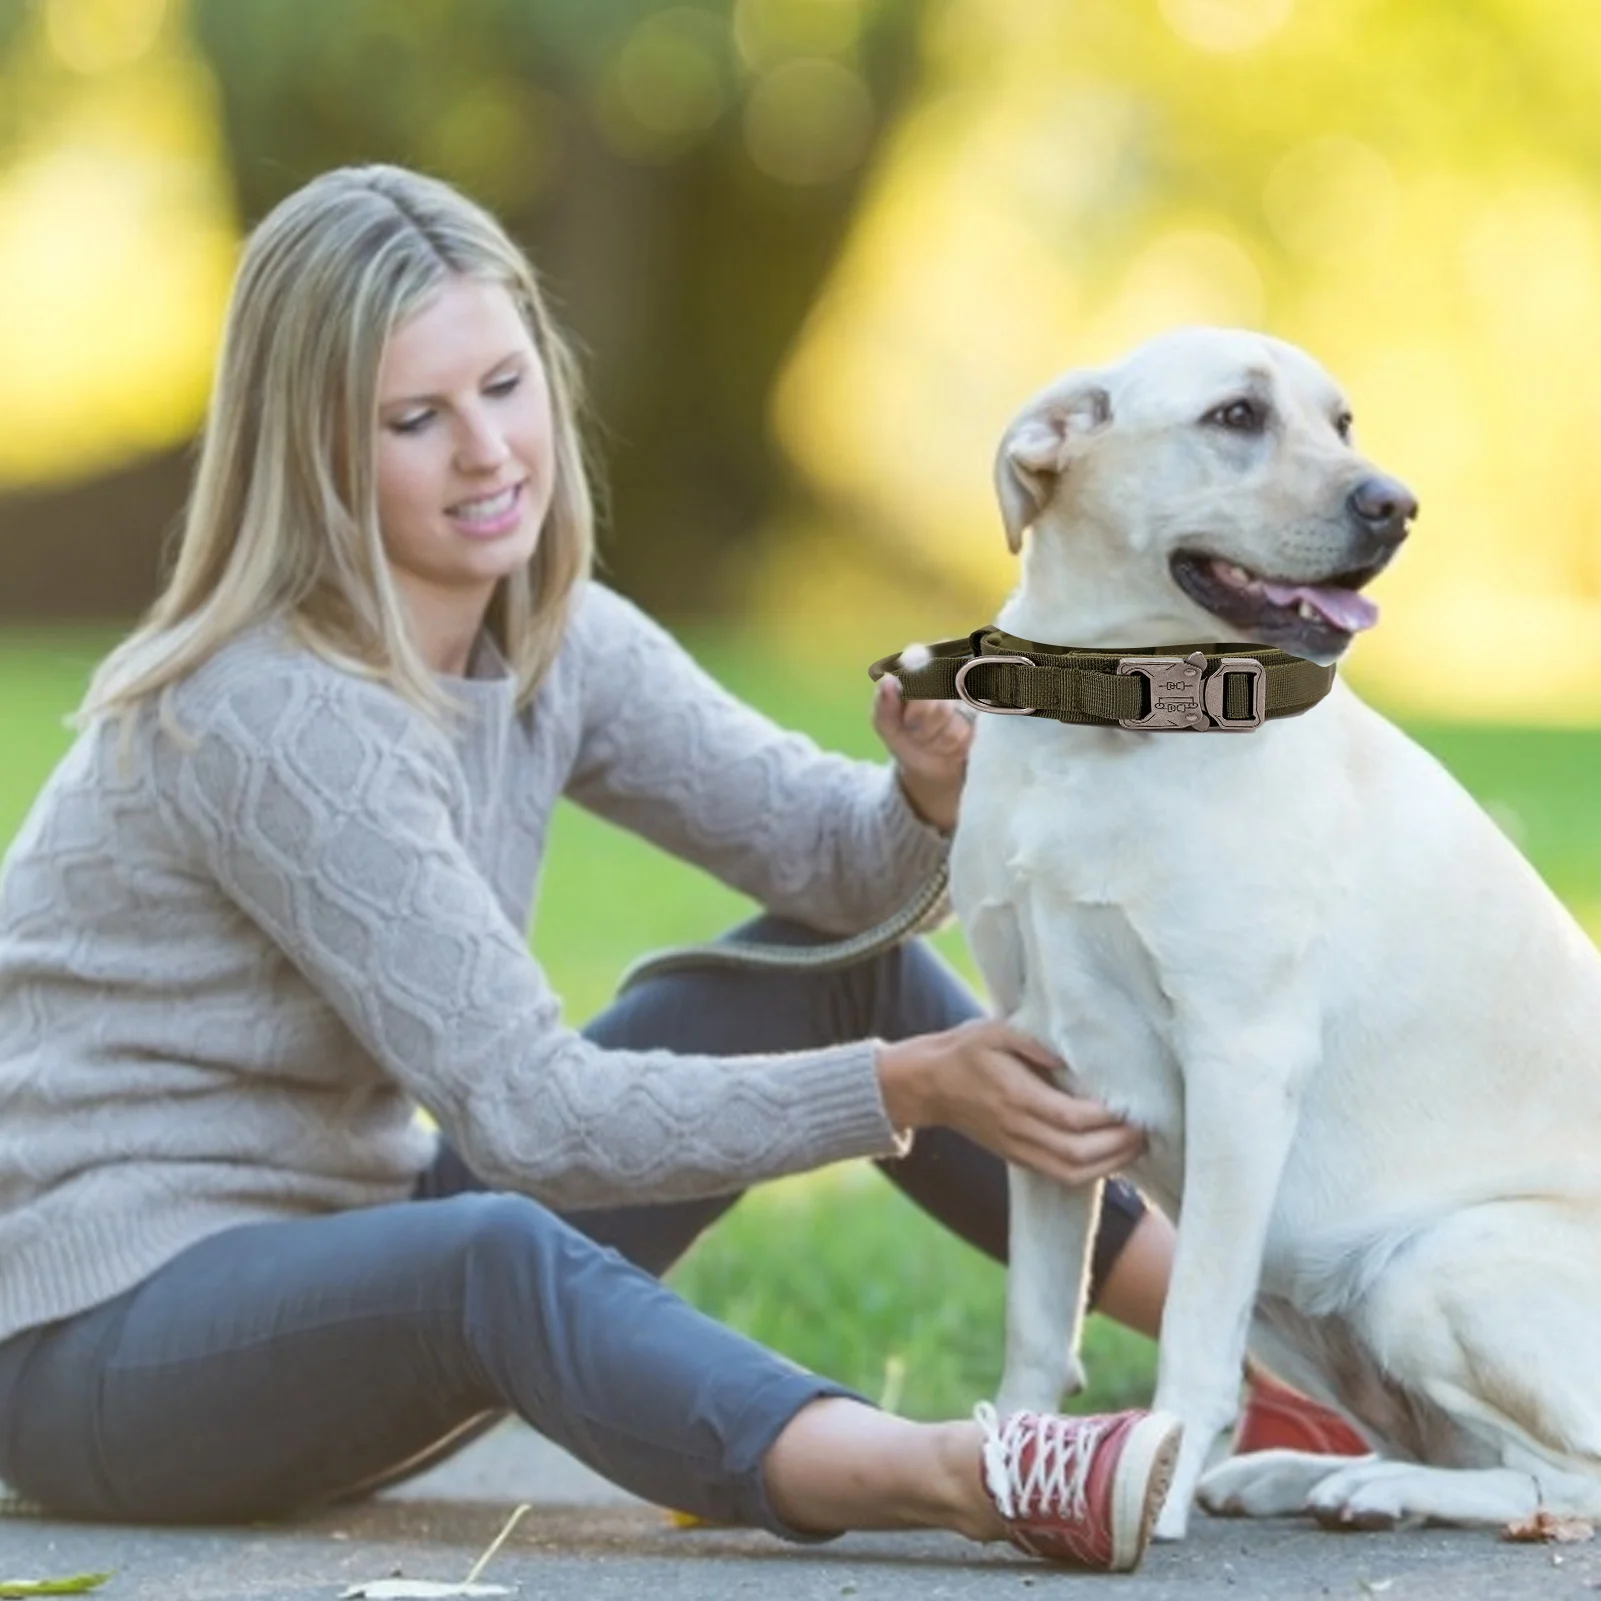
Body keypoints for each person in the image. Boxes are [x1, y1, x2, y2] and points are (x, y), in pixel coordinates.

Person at [0, 165, 1352, 1575]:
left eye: (505, 387)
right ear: (314, 451)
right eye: (416, 419)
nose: (488, 452)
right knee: (496, 1255)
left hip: (349, 1281)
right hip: (99, 1353)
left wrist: (928, 794)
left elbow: (840, 872)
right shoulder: (271, 713)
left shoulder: (550, 633)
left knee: (838, 972)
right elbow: (531, 1117)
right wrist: (903, 1089)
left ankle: (1288, 1368)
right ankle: (971, 1476)